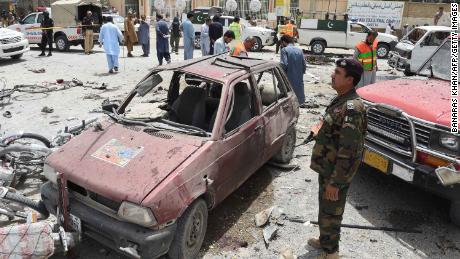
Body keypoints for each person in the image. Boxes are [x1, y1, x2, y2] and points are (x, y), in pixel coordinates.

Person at [307, 58, 367, 259]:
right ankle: (325, 240)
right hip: (327, 168)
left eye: (338, 73)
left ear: (350, 80)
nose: (332, 75)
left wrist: (336, 183)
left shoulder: (352, 108)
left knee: (332, 212)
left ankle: (331, 253)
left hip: (335, 174)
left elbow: (350, 152)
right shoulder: (340, 100)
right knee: (326, 209)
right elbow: (335, 129)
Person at [280, 35, 306, 105]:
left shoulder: (284, 50)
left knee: (286, 98)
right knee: (297, 98)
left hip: (288, 78)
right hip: (298, 78)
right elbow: (304, 65)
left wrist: (280, 75)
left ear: (283, 42)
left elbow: (284, 64)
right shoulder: (300, 50)